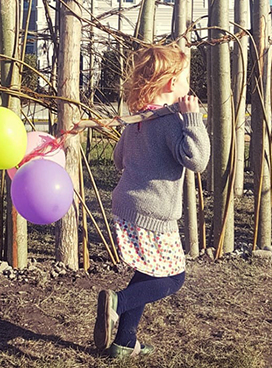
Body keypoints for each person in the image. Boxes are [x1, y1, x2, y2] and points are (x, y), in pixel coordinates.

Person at [93, 44, 210, 359]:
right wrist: (192, 120)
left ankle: (123, 343)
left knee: (148, 272)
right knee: (172, 278)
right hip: (153, 213)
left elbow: (119, 160)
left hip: (127, 206)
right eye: (186, 79)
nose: (188, 86)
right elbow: (198, 160)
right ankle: (118, 303)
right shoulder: (173, 121)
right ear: (173, 84)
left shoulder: (139, 119)